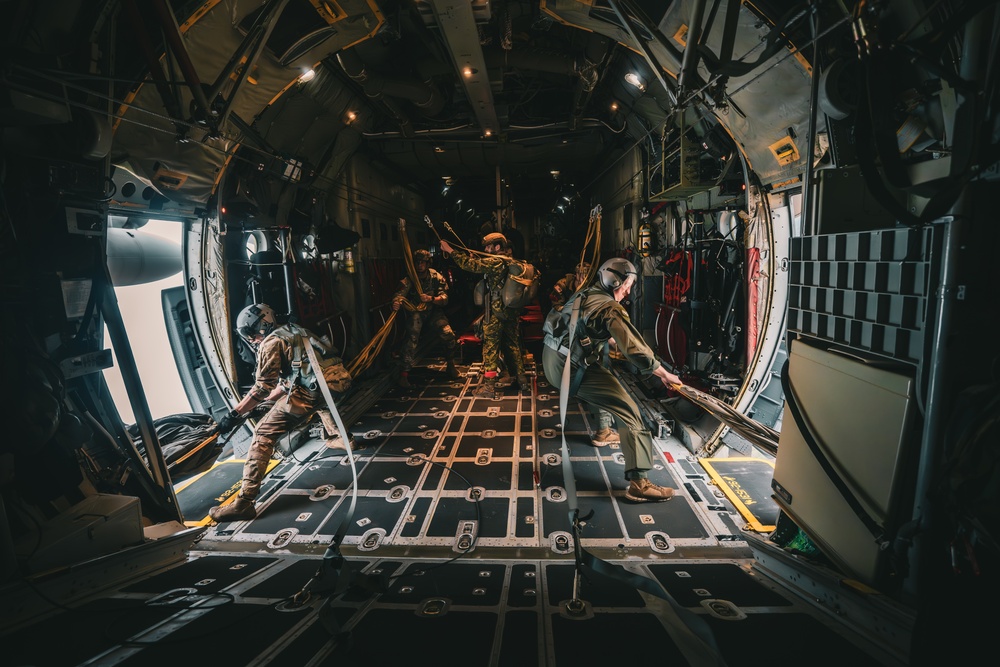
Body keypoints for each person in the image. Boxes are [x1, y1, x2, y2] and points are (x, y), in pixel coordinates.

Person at [541, 258, 683, 502]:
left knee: (603, 375)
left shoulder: (587, 293)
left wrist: (613, 340)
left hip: (552, 359)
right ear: (616, 281)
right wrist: (665, 374)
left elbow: (584, 327)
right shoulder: (610, 309)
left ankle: (604, 431)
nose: (628, 290)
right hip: (570, 369)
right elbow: (637, 352)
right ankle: (639, 484)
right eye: (628, 284)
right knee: (630, 411)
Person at [208, 303, 353, 522]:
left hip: (313, 391)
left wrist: (234, 414)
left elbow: (262, 387)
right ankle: (343, 439)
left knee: (263, 434)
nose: (251, 339)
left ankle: (244, 503)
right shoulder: (294, 331)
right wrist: (264, 403)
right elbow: (291, 380)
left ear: (261, 326)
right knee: (321, 403)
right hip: (338, 381)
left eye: (250, 333)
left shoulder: (271, 343)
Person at [440, 232, 529, 397]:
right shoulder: (509, 260)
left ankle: (488, 388)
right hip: (509, 311)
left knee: (490, 348)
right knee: (512, 345)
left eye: (488, 246)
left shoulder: (495, 261)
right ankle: (521, 380)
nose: (486, 249)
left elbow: (469, 265)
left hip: (495, 312)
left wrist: (450, 250)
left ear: (497, 247)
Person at [549, 261, 618, 448]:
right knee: (599, 381)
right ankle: (603, 431)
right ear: (576, 275)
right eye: (580, 275)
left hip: (586, 337)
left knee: (601, 371)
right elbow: (558, 311)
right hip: (569, 338)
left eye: (586, 276)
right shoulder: (563, 286)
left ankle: (603, 428)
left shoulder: (594, 288)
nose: (582, 279)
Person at [392, 248, 460, 387]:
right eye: (417, 262)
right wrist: (396, 302)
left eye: (423, 262)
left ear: (428, 263)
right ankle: (404, 374)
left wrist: (431, 298)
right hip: (417, 312)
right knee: (411, 339)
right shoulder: (411, 278)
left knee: (448, 334)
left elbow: (445, 299)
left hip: (434, 312)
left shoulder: (436, 277)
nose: (420, 265)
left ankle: (451, 364)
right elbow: (399, 294)